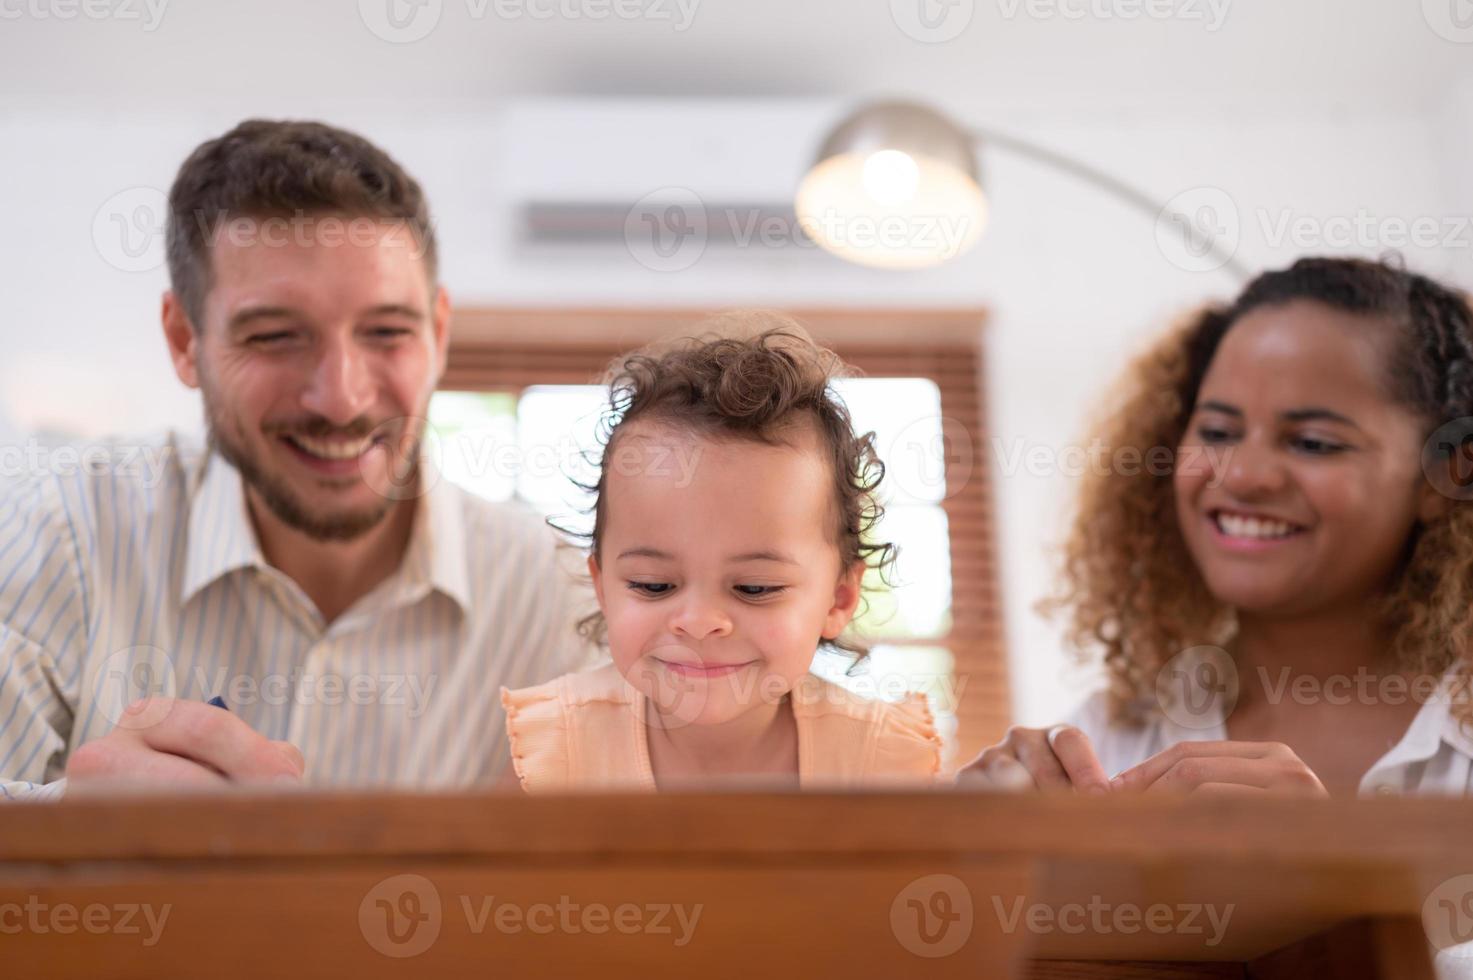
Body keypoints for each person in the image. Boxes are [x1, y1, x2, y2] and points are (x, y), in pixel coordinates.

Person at [0, 119, 589, 799]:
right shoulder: (55, 536)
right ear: (184, 339)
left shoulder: (559, 599)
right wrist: (72, 826)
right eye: (276, 336)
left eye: (387, 332)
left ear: (439, 331)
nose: (340, 399)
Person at [961, 257, 1473, 798]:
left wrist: (1328, 875)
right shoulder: (1112, 738)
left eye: (1314, 442)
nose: (1244, 476)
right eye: (1219, 431)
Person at [501, 317, 941, 791]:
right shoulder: (556, 748)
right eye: (653, 585)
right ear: (602, 586)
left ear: (838, 599)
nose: (698, 620)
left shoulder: (879, 758)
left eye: (755, 588)